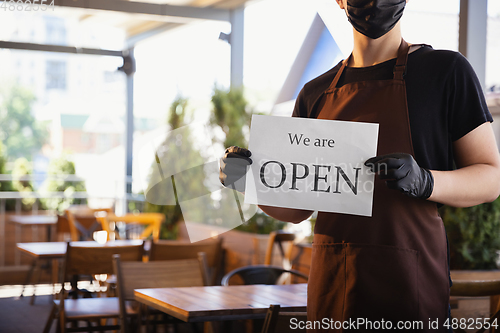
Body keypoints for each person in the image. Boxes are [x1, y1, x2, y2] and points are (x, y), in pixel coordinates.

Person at [219, 0, 500, 331]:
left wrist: (426, 181)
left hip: (412, 291)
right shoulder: (315, 93)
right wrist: (249, 180)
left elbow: (491, 177)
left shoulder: (446, 72)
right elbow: (296, 209)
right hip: (333, 288)